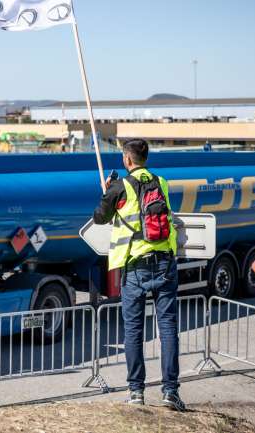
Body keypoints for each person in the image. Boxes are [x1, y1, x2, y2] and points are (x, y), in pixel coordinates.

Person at [93, 139, 184, 411]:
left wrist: (106, 193)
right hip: (165, 262)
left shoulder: (120, 187)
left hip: (135, 266)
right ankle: (170, 392)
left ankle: (136, 392)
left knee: (133, 331)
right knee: (167, 329)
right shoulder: (162, 183)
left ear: (126, 160)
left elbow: (100, 217)